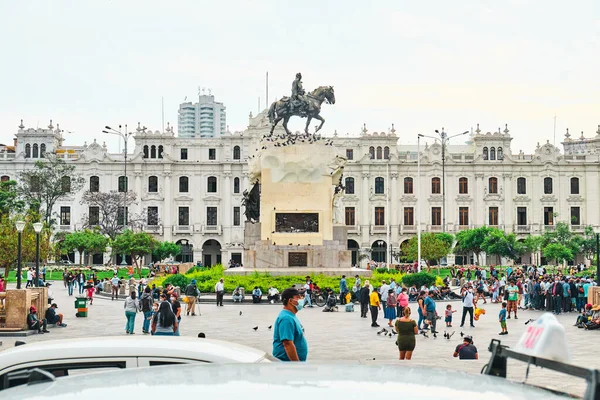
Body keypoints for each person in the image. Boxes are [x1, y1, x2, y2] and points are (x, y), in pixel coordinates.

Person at [272, 288, 308, 361]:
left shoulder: (291, 315)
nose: (301, 299)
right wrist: (296, 365)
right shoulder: (286, 319)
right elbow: (287, 343)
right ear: (290, 301)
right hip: (287, 365)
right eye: (298, 297)